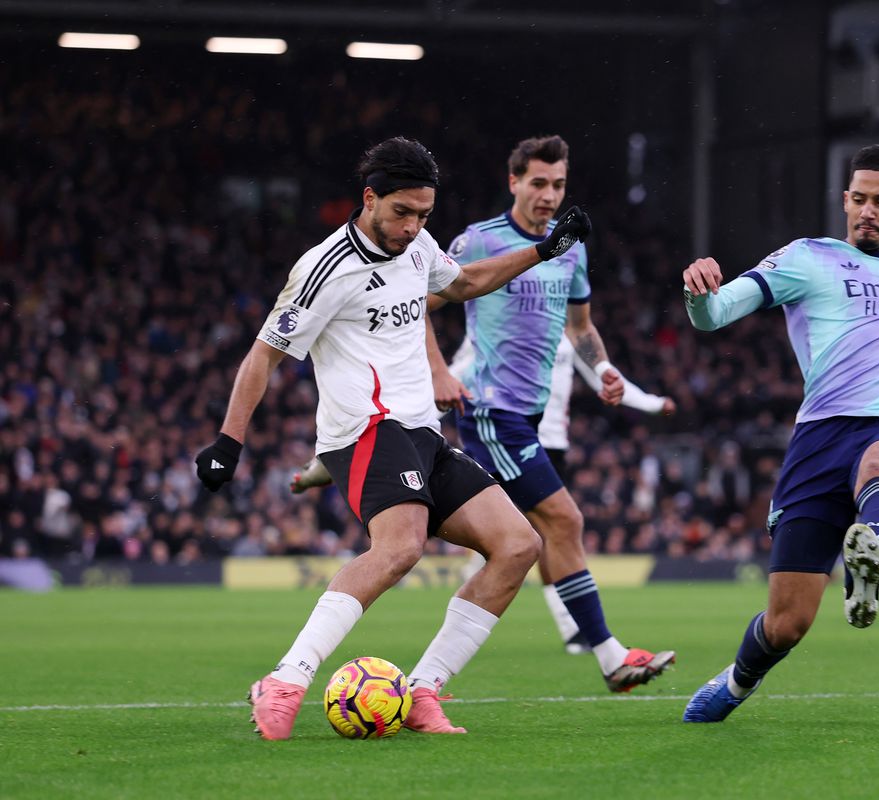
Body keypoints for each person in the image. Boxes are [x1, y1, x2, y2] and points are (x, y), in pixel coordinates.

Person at [193, 136, 591, 739]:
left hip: (420, 432)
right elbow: (263, 355)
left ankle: (424, 690)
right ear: (369, 198)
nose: (412, 227)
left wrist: (543, 251)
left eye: (423, 215)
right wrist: (229, 442)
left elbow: (464, 284)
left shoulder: (420, 245)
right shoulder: (323, 269)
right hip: (363, 429)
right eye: (402, 213)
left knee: (518, 545)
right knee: (401, 547)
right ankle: (285, 679)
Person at [679, 143, 879, 723]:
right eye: (858, 199)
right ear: (844, 200)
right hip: (821, 440)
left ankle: (868, 563)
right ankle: (735, 682)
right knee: (787, 623)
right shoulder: (808, 258)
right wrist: (697, 293)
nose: (867, 211)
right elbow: (716, 314)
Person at [430, 134, 674, 691]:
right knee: (562, 522)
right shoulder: (477, 243)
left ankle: (433, 674)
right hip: (490, 413)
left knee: (523, 542)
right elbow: (416, 305)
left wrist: (605, 369)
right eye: (537, 183)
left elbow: (581, 329)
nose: (548, 195)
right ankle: (610, 655)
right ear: (512, 181)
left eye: (558, 185)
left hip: (529, 418)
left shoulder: (572, 247)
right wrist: (441, 371)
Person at [289, 333, 676, 655]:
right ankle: (588, 638)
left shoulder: (560, 330)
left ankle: (574, 634)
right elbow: (451, 378)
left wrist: (652, 403)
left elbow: (601, 375)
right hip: (503, 438)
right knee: (547, 528)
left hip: (550, 442)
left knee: (529, 540)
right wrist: (404, 429)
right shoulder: (494, 331)